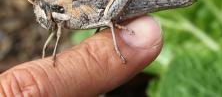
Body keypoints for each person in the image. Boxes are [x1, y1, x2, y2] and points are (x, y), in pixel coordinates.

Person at [0, 16, 163, 96]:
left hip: (107, 9)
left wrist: (117, 49)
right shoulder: (58, 23)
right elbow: (55, 34)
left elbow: (105, 17)